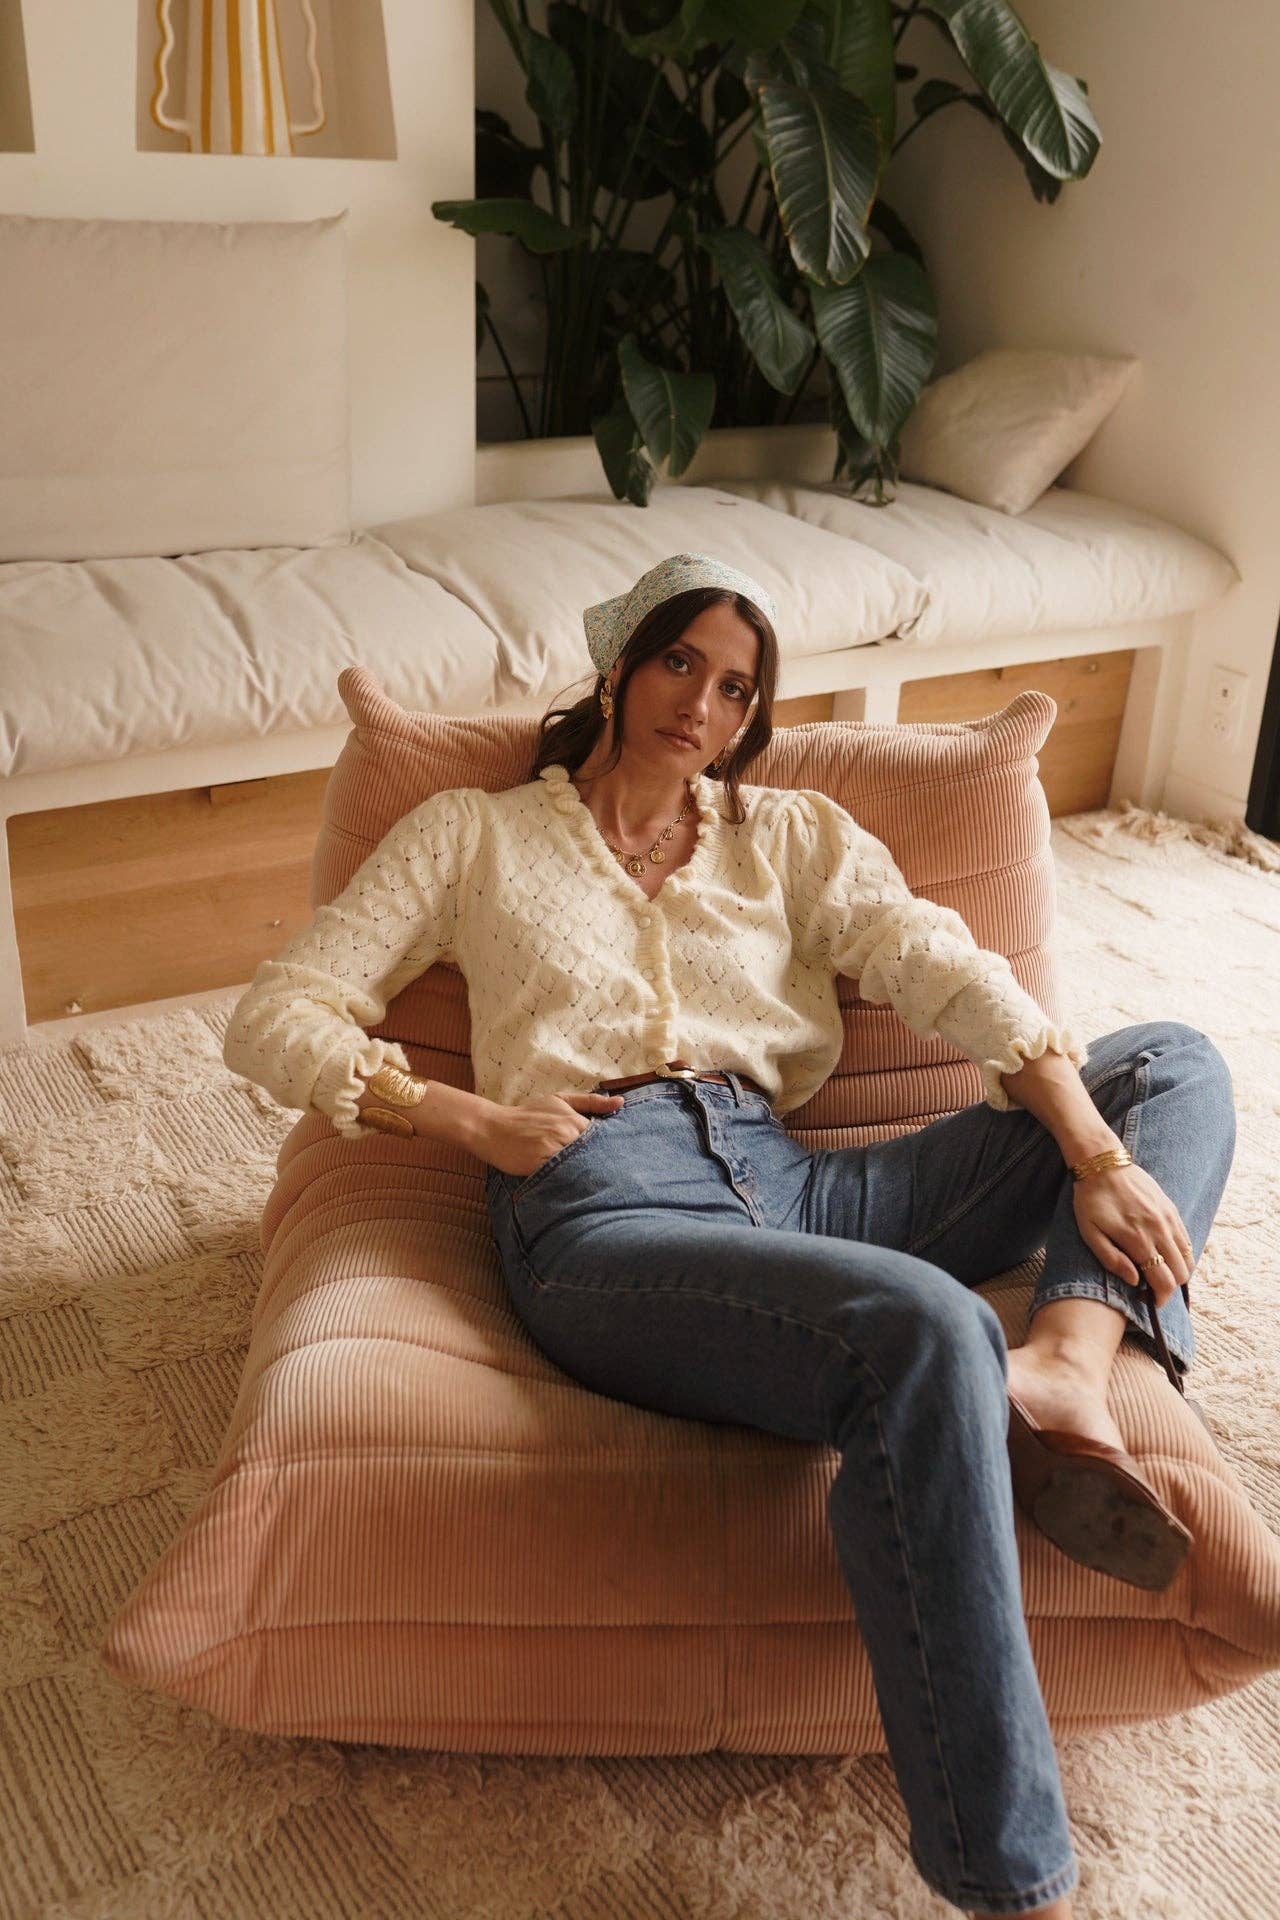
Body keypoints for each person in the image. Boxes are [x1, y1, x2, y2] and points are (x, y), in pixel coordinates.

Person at [223, 551, 1237, 1920]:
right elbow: (276, 1015)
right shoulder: (472, 833)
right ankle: (1016, 1886)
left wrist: (1093, 1154)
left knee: (1170, 1062)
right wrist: (467, 1118)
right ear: (620, 667)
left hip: (798, 1181)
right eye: (679, 662)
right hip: (604, 1204)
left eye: (738, 688)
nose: (701, 704)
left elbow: (943, 965)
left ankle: (1062, 1361)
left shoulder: (792, 837)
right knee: (930, 1328)